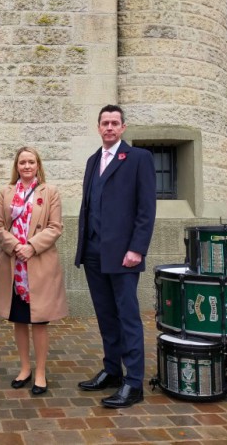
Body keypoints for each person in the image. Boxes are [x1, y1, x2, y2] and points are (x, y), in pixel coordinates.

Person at [74, 104, 156, 408]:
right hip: (94, 252)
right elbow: (89, 205)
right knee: (106, 316)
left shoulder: (139, 159)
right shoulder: (93, 160)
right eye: (104, 123)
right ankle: (112, 371)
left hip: (124, 255)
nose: (109, 128)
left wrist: (137, 248)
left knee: (128, 317)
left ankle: (133, 383)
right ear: (98, 127)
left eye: (114, 123)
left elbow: (146, 209)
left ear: (123, 127)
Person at [0, 146, 68, 395]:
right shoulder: (5, 191)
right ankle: (24, 368)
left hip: (39, 264)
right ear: (16, 166)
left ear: (38, 165)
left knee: (39, 321)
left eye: (31, 162)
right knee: (20, 319)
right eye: (22, 162)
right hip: (13, 264)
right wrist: (15, 247)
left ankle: (41, 372)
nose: (26, 166)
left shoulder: (50, 191)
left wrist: (31, 247)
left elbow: (55, 227)